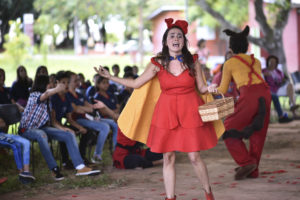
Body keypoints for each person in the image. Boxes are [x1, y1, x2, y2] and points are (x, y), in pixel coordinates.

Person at [95, 18, 224, 200]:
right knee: (168, 158)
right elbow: (135, 83)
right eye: (172, 35)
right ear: (165, 41)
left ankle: (208, 193)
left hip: (190, 111)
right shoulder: (158, 63)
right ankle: (170, 197)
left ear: (184, 41)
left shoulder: (193, 61)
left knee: (194, 157)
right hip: (166, 113)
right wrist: (110, 77)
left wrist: (209, 88)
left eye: (179, 35)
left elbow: (201, 87)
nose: (176, 38)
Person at [215, 26, 271, 181]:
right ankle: (253, 170)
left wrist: (209, 90)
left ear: (231, 48)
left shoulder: (230, 63)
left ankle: (246, 163)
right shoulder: (256, 61)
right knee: (258, 133)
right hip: (265, 95)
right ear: (247, 46)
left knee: (228, 128)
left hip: (249, 95)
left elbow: (223, 88)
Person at [19, 75, 100, 180]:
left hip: (42, 128)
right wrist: (57, 89)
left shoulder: (49, 100)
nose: (52, 85)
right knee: (41, 134)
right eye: (50, 83)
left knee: (68, 134)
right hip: (27, 130)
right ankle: (54, 169)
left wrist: (64, 129)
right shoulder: (34, 95)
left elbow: (52, 120)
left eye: (53, 83)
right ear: (43, 84)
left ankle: (80, 167)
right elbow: (47, 93)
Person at [66, 71, 115, 164]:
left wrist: (83, 109)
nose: (78, 82)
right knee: (105, 127)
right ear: (69, 82)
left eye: (78, 80)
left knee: (113, 123)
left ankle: (114, 150)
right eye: (75, 80)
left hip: (87, 118)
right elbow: (75, 109)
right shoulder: (68, 95)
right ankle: (97, 155)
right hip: (77, 120)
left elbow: (91, 108)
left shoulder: (79, 94)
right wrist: (83, 109)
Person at [262, 55, 299, 123]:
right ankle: (292, 110)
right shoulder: (264, 71)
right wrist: (264, 74)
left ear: (276, 63)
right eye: (271, 61)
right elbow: (261, 80)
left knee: (290, 86)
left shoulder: (279, 72)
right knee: (287, 91)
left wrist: (283, 80)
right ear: (268, 62)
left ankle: (292, 106)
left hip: (278, 88)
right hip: (269, 89)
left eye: (274, 62)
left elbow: (283, 80)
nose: (272, 63)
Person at [0, 118, 35, 184]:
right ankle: (21, 173)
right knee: (16, 145)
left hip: (2, 134)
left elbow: (3, 124)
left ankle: (26, 172)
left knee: (26, 142)